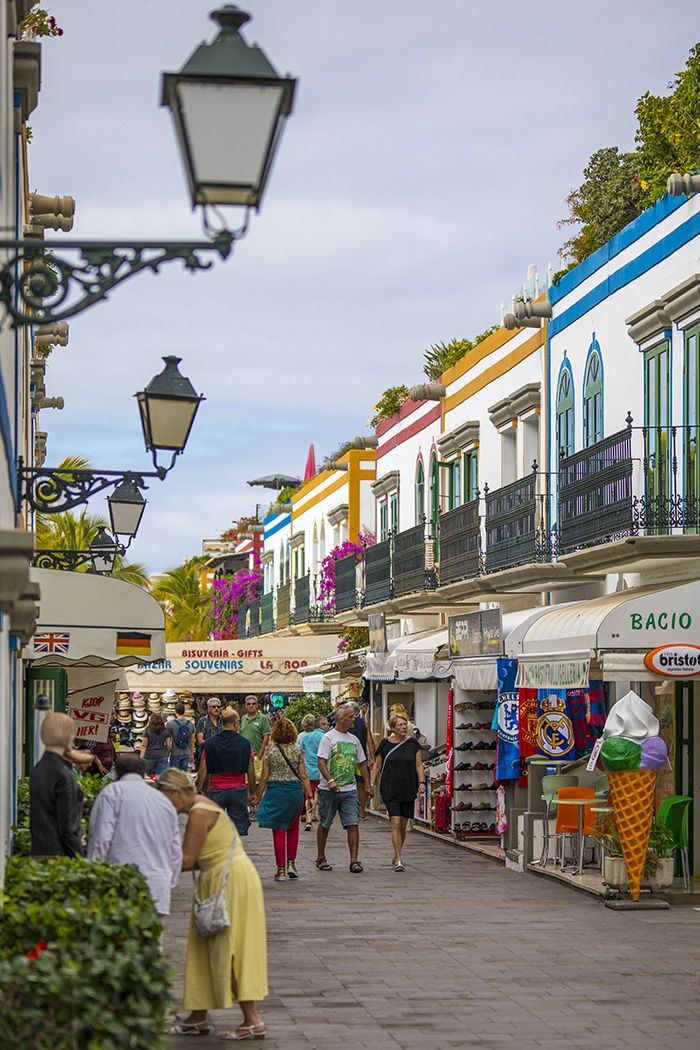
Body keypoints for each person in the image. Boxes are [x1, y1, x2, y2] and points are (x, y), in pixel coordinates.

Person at [157, 769, 268, 1040]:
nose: (168, 807)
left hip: (228, 881)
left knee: (228, 947)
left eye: (166, 799)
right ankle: (198, 1015)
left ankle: (252, 1019)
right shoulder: (204, 805)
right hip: (224, 878)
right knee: (207, 944)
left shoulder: (199, 812)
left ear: (177, 793)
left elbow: (187, 859)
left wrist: (150, 865)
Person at [87, 754, 182, 915]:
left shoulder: (111, 793)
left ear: (117, 774)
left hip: (120, 885)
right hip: (157, 888)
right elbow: (175, 850)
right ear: (143, 773)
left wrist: (93, 877)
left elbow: (100, 840)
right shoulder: (162, 801)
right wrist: (168, 881)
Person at [315, 703, 371, 873]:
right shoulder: (328, 738)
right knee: (325, 823)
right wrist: (330, 780)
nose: (354, 719)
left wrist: (368, 785)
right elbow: (321, 762)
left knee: (353, 824)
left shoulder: (354, 740)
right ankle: (321, 857)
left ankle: (354, 860)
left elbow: (362, 764)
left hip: (350, 789)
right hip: (328, 789)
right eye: (350, 717)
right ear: (341, 720)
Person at [256, 717, 312, 881]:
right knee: (293, 828)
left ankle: (280, 870)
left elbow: (265, 777)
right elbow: (303, 775)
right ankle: (291, 864)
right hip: (295, 792)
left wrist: (257, 797)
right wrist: (309, 795)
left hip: (276, 792)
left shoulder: (269, 751)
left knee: (279, 829)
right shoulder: (298, 750)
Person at [372, 712, 425, 872]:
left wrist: (422, 782)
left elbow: (419, 765)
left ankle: (397, 853)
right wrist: (372, 783)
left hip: (408, 787)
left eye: (405, 724)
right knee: (395, 821)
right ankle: (399, 859)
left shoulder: (413, 743)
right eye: (400, 725)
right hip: (390, 787)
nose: (403, 727)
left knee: (402, 824)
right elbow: (377, 765)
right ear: (393, 728)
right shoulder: (385, 744)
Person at [29, 712, 84, 858]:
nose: (72, 737)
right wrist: (80, 859)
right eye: (71, 733)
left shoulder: (39, 768)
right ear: (64, 735)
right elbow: (68, 827)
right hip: (59, 855)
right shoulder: (62, 773)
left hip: (39, 850)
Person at [196, 707, 256, 837]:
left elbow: (203, 769)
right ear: (235, 723)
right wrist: (252, 792)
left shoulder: (210, 744)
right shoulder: (245, 744)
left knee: (214, 827)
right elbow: (250, 769)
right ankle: (234, 852)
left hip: (216, 790)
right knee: (238, 828)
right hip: (238, 790)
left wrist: (198, 789)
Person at [239, 696, 271, 816]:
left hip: (257, 755)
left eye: (253, 703)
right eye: (248, 704)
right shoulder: (242, 719)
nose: (251, 705)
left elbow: (266, 737)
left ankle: (256, 806)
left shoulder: (262, 719)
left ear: (257, 705)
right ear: (245, 705)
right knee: (246, 782)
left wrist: (260, 755)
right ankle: (250, 807)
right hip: (244, 756)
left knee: (257, 782)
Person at [297, 714, 325, 830]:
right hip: (321, 770)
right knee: (318, 793)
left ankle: (308, 818)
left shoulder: (304, 737)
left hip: (308, 770)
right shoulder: (324, 736)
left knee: (309, 795)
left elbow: (300, 753)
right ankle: (314, 813)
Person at [348, 701, 376, 819]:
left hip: (348, 758)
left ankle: (350, 810)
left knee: (348, 783)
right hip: (360, 758)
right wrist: (372, 758)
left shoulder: (346, 723)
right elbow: (370, 741)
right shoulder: (363, 723)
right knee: (361, 785)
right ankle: (362, 811)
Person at [139, 712, 172, 776]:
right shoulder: (165, 731)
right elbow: (169, 745)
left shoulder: (147, 731)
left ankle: (150, 785)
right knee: (159, 777)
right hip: (162, 756)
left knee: (146, 776)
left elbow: (144, 745)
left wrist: (141, 757)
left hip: (149, 756)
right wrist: (166, 754)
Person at [195, 697, 223, 767]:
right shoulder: (202, 721)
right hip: (207, 755)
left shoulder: (224, 720)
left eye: (218, 706)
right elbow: (200, 740)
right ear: (208, 708)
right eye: (213, 706)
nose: (216, 708)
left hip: (222, 755)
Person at [168, 700, 195, 771]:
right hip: (187, 753)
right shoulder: (190, 724)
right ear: (184, 711)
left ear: (175, 712)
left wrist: (168, 752)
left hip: (175, 753)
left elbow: (169, 741)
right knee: (183, 776)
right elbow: (192, 741)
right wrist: (192, 754)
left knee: (175, 775)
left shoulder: (170, 724)